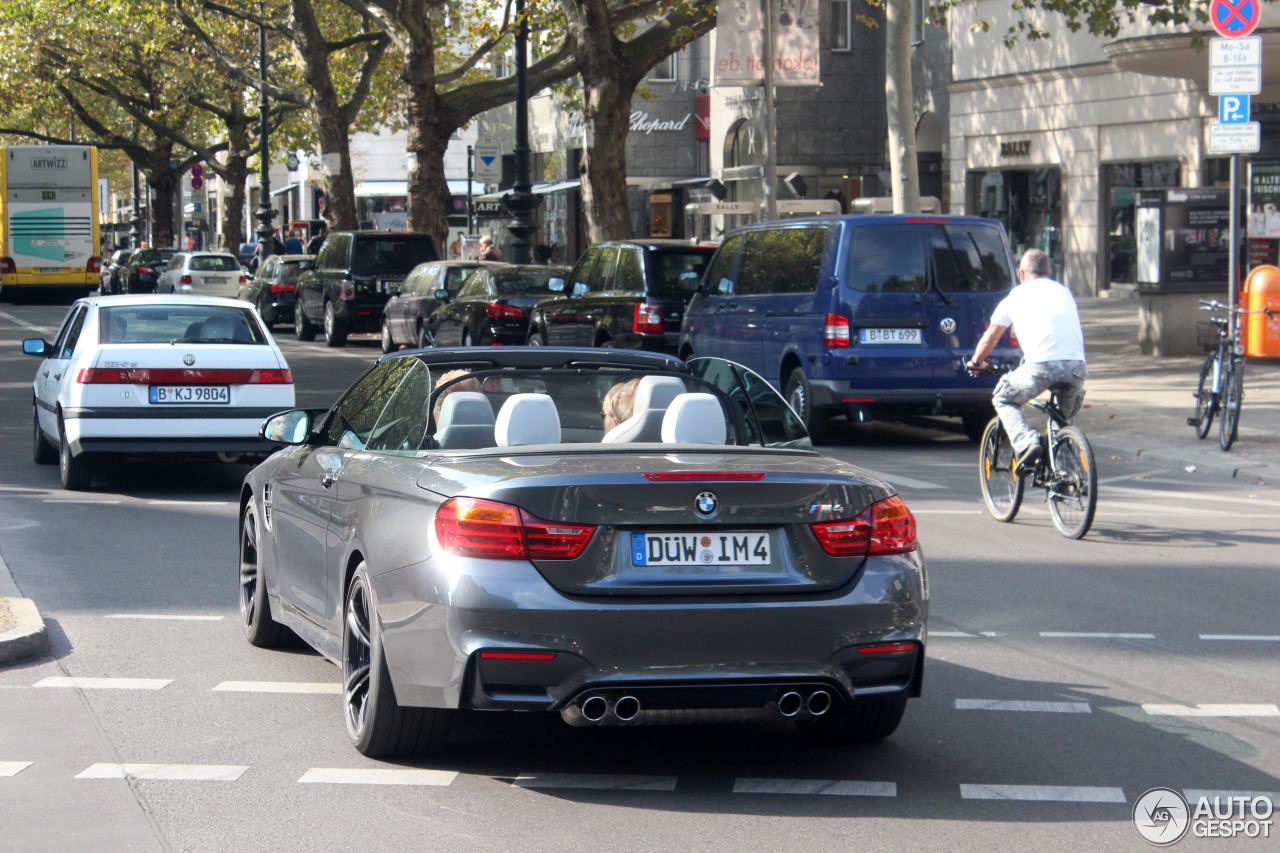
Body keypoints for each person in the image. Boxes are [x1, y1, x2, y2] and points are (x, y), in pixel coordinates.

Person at [967, 248, 1086, 472]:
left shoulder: (1016, 295)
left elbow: (990, 338)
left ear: (1021, 274)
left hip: (1041, 366)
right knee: (1063, 421)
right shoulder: (1064, 292)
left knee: (1003, 397)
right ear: (1049, 273)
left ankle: (1026, 443)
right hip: (1077, 367)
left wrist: (976, 362)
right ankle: (1069, 479)